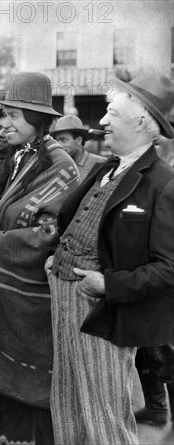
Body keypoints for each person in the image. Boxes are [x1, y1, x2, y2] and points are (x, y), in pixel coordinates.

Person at [47, 73, 174, 444]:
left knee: (104, 417)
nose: (101, 121)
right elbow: (81, 221)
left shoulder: (163, 183)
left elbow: (169, 268)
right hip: (64, 298)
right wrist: (56, 255)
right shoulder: (107, 167)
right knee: (68, 406)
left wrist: (108, 284)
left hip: (102, 310)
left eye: (111, 113)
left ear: (140, 121)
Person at [0, 72, 80, 445]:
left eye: (15, 114)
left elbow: (52, 232)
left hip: (34, 300)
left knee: (38, 398)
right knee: (18, 406)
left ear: (38, 121)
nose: (6, 122)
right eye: (6, 113)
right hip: (15, 298)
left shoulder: (59, 164)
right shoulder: (23, 157)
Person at [50, 115, 104, 181]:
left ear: (79, 140)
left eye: (63, 140)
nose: (59, 145)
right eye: (57, 140)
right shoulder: (55, 167)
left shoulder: (100, 164)